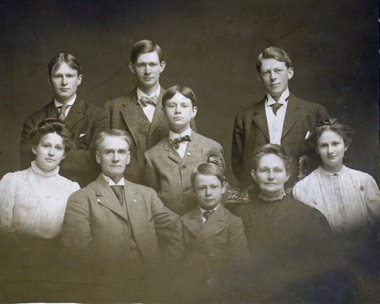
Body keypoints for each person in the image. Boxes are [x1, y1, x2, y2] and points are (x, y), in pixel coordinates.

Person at [61, 129, 179, 298]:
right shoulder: (81, 198)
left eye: (121, 152)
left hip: (152, 289)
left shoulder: (147, 195)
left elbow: (179, 229)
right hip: (106, 291)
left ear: (128, 158)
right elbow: (78, 252)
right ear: (98, 157)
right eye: (109, 152)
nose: (116, 158)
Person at [233, 144, 334, 302]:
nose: (271, 176)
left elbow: (323, 268)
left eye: (277, 170)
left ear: (287, 175)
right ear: (254, 174)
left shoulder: (310, 216)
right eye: (264, 170)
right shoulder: (240, 215)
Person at [232, 46, 329, 187]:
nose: (273, 77)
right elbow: (239, 166)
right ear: (259, 77)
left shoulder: (314, 112)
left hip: (304, 192)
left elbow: (329, 157)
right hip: (259, 195)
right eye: (266, 72)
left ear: (289, 73)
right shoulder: (245, 118)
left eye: (278, 71)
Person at [105, 40, 195, 184]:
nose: (148, 71)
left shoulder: (181, 104)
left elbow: (191, 152)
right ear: (132, 67)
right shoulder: (113, 107)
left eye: (152, 64)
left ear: (162, 66)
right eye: (141, 65)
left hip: (170, 188)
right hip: (129, 189)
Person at [0, 118, 80, 280]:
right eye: (46, 146)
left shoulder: (71, 188)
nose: (51, 153)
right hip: (13, 260)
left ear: (64, 154)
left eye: (58, 148)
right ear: (35, 148)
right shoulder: (12, 180)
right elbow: (3, 226)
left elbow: (72, 235)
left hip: (53, 265)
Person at [20, 53, 109, 187]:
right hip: (43, 190)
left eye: (69, 76)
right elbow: (27, 160)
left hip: (84, 191)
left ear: (79, 79)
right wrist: (78, 157)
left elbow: (96, 160)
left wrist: (46, 157)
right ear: (49, 80)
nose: (64, 82)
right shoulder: (33, 121)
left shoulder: (97, 115)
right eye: (58, 76)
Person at [144, 85, 225, 215]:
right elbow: (152, 202)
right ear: (163, 112)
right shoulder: (152, 156)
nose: (178, 111)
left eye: (184, 105)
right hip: (171, 228)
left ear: (194, 111)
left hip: (207, 226)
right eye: (171, 106)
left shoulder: (211, 147)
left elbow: (220, 191)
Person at [293, 119, 380, 237]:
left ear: (346, 145)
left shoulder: (364, 180)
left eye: (335, 144)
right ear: (317, 150)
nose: (330, 151)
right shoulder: (304, 187)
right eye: (324, 145)